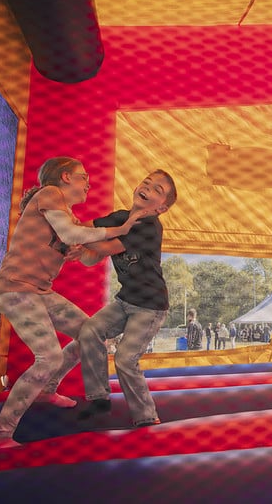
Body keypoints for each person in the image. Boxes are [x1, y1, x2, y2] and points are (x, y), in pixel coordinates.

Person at [0, 157, 151, 450]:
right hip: (15, 288)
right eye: (83, 177)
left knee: (91, 334)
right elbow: (71, 234)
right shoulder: (49, 193)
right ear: (65, 177)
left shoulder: (66, 216)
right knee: (49, 357)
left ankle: (46, 389)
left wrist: (92, 249)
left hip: (40, 291)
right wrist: (121, 229)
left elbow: (84, 254)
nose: (88, 184)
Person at [76, 170, 177, 428]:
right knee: (89, 330)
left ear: (161, 208)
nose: (147, 188)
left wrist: (73, 236)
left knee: (124, 358)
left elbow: (106, 247)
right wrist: (64, 226)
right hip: (126, 300)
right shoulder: (121, 217)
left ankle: (146, 417)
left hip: (150, 306)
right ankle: (99, 398)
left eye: (157, 190)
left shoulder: (150, 228)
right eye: (146, 182)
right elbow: (87, 226)